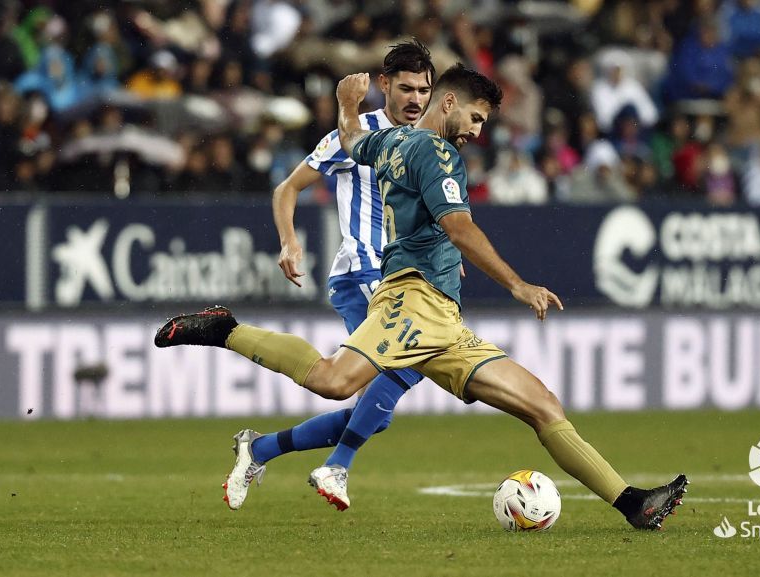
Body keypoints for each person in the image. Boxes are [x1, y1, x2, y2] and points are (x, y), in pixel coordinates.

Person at [155, 64, 687, 530]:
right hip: (411, 301)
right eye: (476, 118)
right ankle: (224, 329)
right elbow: (460, 229)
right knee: (333, 382)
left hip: (445, 323)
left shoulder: (391, 142)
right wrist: (518, 285)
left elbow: (349, 141)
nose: (479, 132)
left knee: (543, 406)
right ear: (450, 102)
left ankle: (633, 503)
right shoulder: (437, 154)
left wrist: (346, 105)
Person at [158, 40, 434, 512]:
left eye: (424, 90)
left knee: (377, 409)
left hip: (405, 276)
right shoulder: (355, 133)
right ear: (384, 85)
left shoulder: (428, 139)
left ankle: (259, 449)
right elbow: (287, 188)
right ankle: (338, 464)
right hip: (364, 270)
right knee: (405, 364)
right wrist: (289, 240)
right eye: (406, 88)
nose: (415, 100)